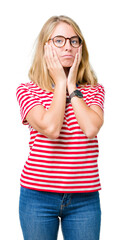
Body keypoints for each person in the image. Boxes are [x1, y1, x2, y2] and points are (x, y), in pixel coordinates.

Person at [16, 15, 105, 240]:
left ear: (80, 48)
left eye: (74, 41)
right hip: (37, 197)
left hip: (84, 199)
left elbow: (91, 128)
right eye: (59, 40)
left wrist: (72, 85)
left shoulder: (94, 91)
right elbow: (52, 128)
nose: (68, 46)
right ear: (45, 47)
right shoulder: (27, 90)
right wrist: (60, 83)